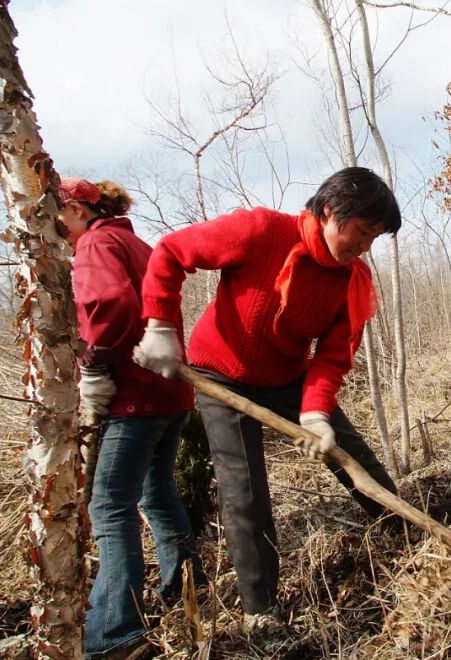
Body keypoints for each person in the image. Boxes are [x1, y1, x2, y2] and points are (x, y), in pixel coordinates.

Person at [133, 167, 401, 628]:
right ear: (332, 211)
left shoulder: (350, 281)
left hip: (288, 379)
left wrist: (316, 413)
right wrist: (159, 325)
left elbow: (333, 357)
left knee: (352, 455)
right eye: (361, 231)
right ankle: (262, 611)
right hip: (221, 376)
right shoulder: (261, 231)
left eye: (374, 238)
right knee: (245, 493)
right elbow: (171, 252)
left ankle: (408, 535)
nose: (363, 247)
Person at [59, 177, 204, 660]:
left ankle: (116, 635)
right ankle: (185, 589)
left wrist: (96, 365)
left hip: (137, 396)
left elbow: (113, 304)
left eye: (58, 219)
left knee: (109, 504)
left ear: (76, 209)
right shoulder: (134, 241)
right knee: (156, 493)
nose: (56, 232)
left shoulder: (97, 242)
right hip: (170, 393)